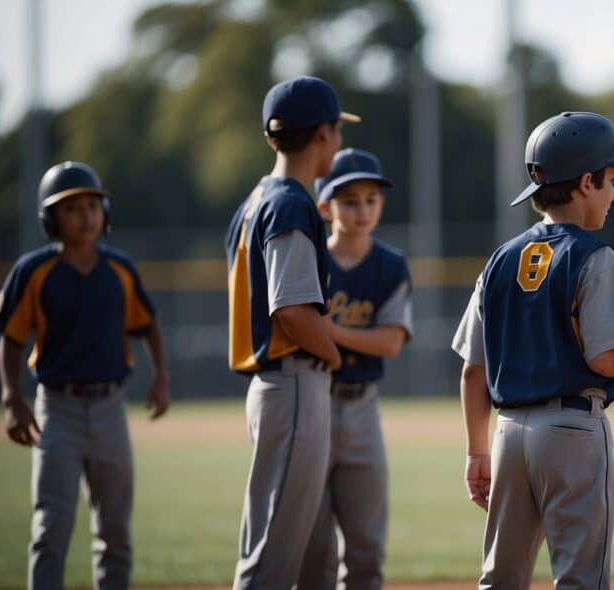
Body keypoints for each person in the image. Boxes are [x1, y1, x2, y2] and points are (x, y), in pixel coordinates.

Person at [452, 111, 614, 588]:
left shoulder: (500, 259)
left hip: (508, 435)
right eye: (610, 181)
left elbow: (472, 371)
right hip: (571, 432)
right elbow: (608, 359)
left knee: (500, 578)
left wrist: (476, 453)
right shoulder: (594, 256)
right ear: (585, 182)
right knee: (580, 577)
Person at [0, 160, 170, 590]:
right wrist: (12, 398)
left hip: (110, 409)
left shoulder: (120, 270)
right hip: (59, 411)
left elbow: (148, 325)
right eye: (72, 208)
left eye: (93, 205)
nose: (87, 215)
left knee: (116, 532)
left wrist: (161, 378)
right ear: (50, 218)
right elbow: (11, 338)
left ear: (105, 214)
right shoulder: (33, 271)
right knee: (50, 528)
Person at [224, 76, 357, 589]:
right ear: (323, 133)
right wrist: (335, 356)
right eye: (336, 130)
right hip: (293, 381)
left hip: (275, 384)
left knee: (302, 554)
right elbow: (294, 313)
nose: (338, 141)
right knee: (272, 559)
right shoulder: (291, 203)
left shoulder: (254, 201)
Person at [298, 148, 413, 589]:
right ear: (325, 206)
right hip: (313, 403)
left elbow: (389, 343)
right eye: (349, 201)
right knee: (314, 550)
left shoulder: (390, 265)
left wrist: (328, 329)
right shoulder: (309, 259)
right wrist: (330, 333)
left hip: (363, 408)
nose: (363, 210)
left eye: (371, 199)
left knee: (366, 547)